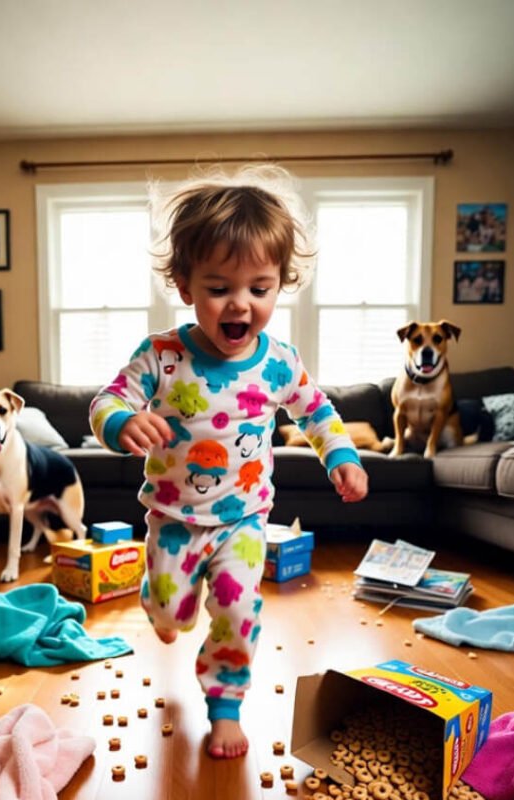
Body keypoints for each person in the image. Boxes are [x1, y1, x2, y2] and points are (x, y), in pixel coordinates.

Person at [89, 165, 369, 759]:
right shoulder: (161, 355)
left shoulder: (278, 362)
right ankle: (164, 608)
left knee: (240, 610)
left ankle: (225, 706)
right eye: (220, 288)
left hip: (244, 520)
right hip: (173, 518)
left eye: (259, 289)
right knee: (169, 608)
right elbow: (108, 400)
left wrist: (340, 456)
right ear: (186, 286)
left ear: (278, 286)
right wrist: (121, 421)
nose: (240, 304)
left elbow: (317, 413)